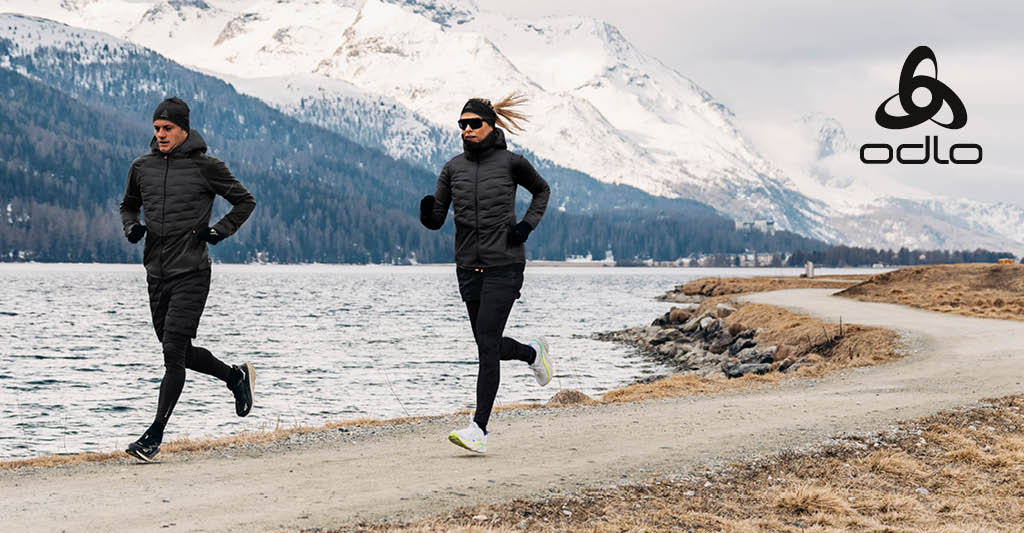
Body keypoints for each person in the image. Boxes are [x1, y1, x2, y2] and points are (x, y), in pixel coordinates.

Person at [119, 97, 257, 462]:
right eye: (156, 129)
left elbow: (245, 201)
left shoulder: (206, 167)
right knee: (178, 350)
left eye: (167, 129)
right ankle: (235, 377)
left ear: (183, 130)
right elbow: (128, 204)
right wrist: (131, 226)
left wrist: (219, 232)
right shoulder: (141, 167)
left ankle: (154, 436)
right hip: (156, 273)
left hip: (192, 272)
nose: (160, 135)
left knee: (172, 353)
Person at [420, 94, 553, 453]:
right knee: (486, 345)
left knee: (487, 346)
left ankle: (478, 428)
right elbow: (437, 220)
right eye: (461, 124)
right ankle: (531, 354)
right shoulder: (452, 169)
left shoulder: (512, 163)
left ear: (490, 125)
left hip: (505, 265)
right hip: (468, 269)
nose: (466, 129)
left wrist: (526, 226)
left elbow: (542, 191)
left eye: (473, 123)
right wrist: (427, 213)